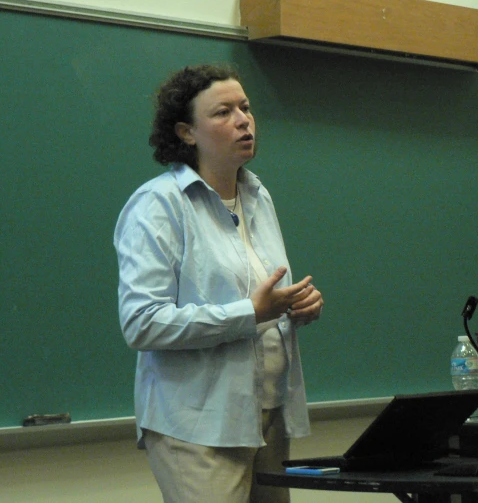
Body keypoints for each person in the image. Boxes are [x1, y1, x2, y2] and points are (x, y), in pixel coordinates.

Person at [113, 63, 324, 503]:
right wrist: (251, 313)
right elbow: (142, 322)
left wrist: (295, 307)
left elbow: (262, 298)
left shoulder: (257, 195)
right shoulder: (158, 205)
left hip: (268, 414)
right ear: (186, 133)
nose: (244, 120)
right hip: (197, 424)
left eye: (245, 107)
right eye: (223, 112)